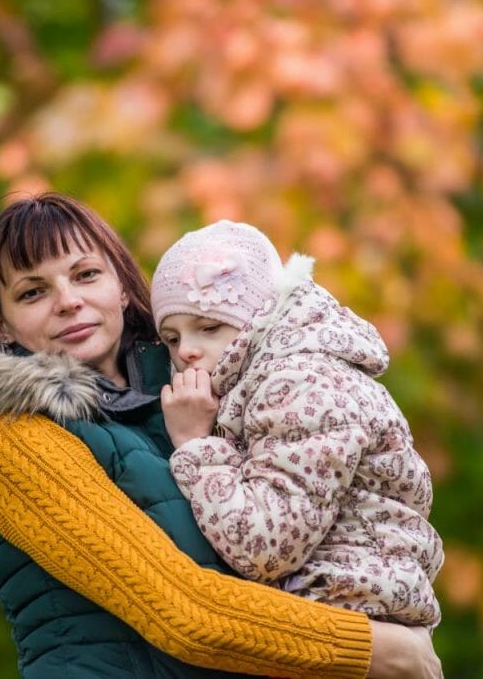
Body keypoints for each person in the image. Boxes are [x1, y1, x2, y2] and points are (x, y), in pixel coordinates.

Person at [0, 193, 442, 678]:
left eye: (86, 274)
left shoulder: (193, 394)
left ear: (121, 286)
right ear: (1, 325)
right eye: (32, 292)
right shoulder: (15, 439)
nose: (67, 300)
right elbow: (184, 613)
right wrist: (379, 649)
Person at [151, 220, 443, 627]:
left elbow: (266, 546)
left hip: (347, 605)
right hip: (340, 605)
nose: (187, 351)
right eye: (172, 338)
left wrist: (194, 445)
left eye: (209, 327)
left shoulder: (302, 386)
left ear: (259, 318)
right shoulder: (262, 383)